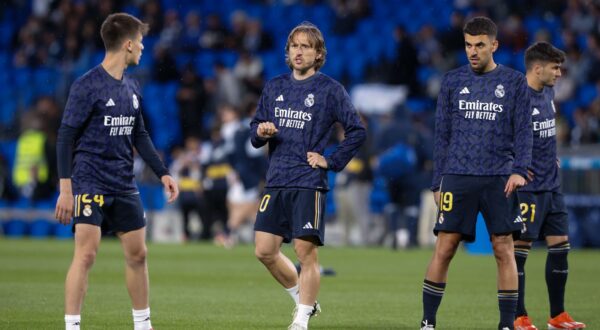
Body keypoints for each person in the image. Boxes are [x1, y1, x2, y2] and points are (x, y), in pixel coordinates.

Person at [54, 13, 179, 330]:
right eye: (140, 42)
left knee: (139, 255)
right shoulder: (87, 86)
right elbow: (65, 137)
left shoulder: (133, 85)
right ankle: (72, 326)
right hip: (89, 182)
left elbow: (140, 135)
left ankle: (142, 324)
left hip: (124, 183)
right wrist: (66, 189)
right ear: (127, 44)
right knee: (86, 255)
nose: (142, 48)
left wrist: (162, 172)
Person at [250, 22, 366, 330]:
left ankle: (301, 321)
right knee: (264, 250)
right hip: (276, 179)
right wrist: (261, 132)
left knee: (305, 251)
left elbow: (357, 130)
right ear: (287, 52)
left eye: (306, 47)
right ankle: (304, 301)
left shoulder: (330, 90)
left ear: (318, 54)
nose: (299, 51)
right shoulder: (274, 87)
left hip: (308, 180)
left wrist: (331, 160)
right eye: (294, 46)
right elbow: (254, 131)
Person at [422, 17, 533, 330]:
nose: (473, 51)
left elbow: (524, 132)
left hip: (499, 177)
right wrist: (437, 180)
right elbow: (441, 134)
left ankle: (507, 324)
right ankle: (428, 322)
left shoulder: (513, 83)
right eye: (469, 45)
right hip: (458, 175)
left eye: (480, 45)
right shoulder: (452, 81)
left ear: (494, 45)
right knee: (444, 248)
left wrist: (519, 170)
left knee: (503, 248)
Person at [513, 42, 586, 330]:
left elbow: (543, 134)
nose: (559, 73)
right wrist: (513, 167)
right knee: (520, 251)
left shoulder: (549, 93)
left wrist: (550, 155)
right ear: (537, 68)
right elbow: (499, 138)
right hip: (527, 188)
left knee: (560, 247)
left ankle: (557, 316)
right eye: (555, 68)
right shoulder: (518, 99)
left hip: (552, 185)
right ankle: (518, 316)